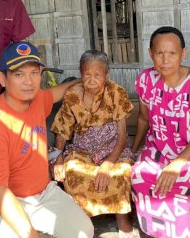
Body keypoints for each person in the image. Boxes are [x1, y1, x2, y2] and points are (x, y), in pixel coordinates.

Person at [0, 41, 94, 238]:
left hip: (42, 193)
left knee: (83, 232)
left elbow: (61, 91)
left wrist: (85, 80)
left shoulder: (37, 99)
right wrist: (30, 234)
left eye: (34, 73)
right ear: (2, 79)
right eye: (19, 74)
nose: (28, 81)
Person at [131, 26, 190, 237]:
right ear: (151, 54)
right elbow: (143, 117)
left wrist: (178, 163)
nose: (165, 60)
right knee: (141, 174)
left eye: (172, 53)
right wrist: (133, 149)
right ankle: (157, 231)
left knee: (188, 181)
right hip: (157, 147)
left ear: (183, 54)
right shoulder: (145, 80)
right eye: (159, 53)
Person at [51, 50, 136, 237]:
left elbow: (122, 136)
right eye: (87, 75)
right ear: (80, 74)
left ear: (106, 74)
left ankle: (123, 221)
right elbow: (63, 128)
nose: (91, 80)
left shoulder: (116, 92)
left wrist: (107, 164)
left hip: (113, 147)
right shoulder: (72, 94)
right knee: (72, 172)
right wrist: (57, 158)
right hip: (83, 149)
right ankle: (82, 221)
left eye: (97, 75)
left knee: (121, 173)